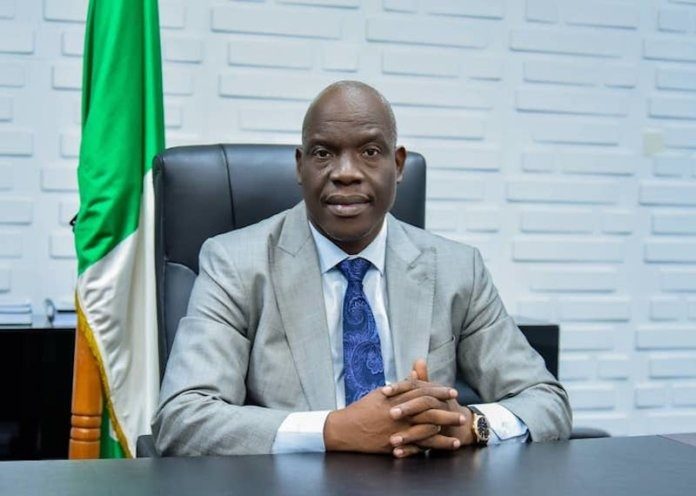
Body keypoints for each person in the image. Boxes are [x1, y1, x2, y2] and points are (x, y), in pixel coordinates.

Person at [152, 81, 572, 457]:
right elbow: (183, 419)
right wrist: (335, 430)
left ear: (398, 165)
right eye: (323, 153)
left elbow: (546, 401)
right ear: (300, 165)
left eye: (370, 152)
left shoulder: (457, 269)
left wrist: (468, 425)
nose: (346, 173)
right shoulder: (235, 264)